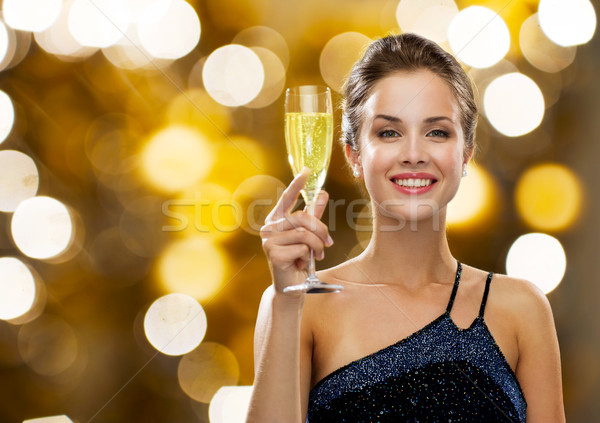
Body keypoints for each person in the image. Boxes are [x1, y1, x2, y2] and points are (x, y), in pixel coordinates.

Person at [246, 33, 565, 422]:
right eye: (389, 132)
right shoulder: (300, 304)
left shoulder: (522, 310)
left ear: (465, 154)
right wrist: (288, 301)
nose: (414, 154)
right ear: (355, 156)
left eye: (436, 132)